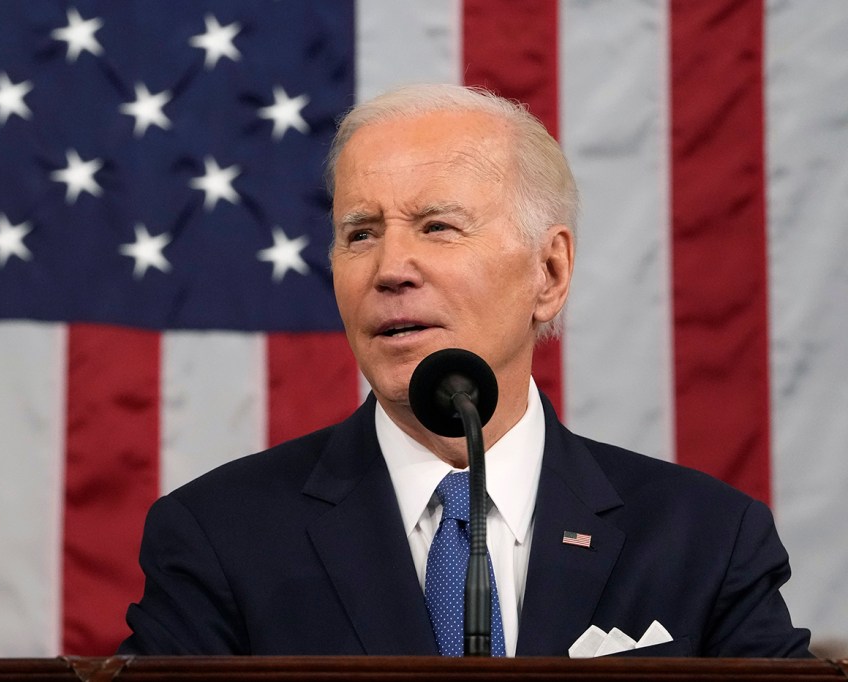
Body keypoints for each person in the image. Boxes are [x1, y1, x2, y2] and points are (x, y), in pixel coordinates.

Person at [118, 83, 811, 657]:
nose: (389, 270)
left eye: (437, 227)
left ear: (550, 270)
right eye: (360, 234)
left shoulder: (707, 539)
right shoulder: (220, 536)